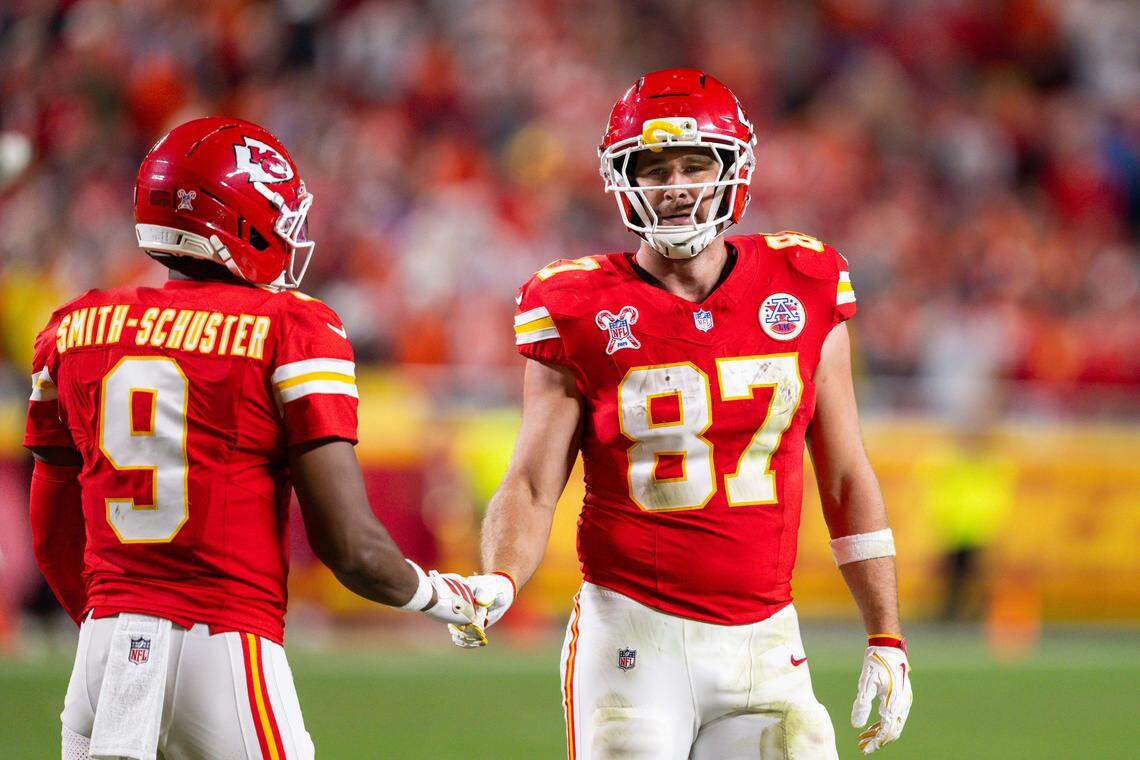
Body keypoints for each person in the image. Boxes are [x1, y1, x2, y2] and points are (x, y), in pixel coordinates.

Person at [449, 69, 913, 758]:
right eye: (654, 167)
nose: (675, 185)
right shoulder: (574, 305)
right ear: (621, 179)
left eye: (695, 164)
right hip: (632, 637)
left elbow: (845, 474)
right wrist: (499, 577)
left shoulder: (805, 282)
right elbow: (532, 482)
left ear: (732, 171)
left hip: (765, 639)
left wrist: (887, 635)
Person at [24, 117, 483, 760]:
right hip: (226, 648)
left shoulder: (71, 328)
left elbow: (52, 531)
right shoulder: (289, 327)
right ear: (238, 220)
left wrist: (119, 625)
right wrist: (445, 596)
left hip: (102, 660)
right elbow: (348, 547)